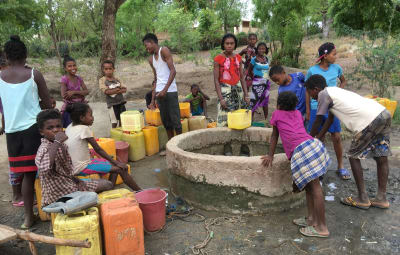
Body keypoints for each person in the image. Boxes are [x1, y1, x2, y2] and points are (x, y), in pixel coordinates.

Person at [306, 74, 392, 210]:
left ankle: (362, 199)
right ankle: (381, 198)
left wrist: (309, 139)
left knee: (353, 156)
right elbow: (329, 120)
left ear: (316, 89)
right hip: (383, 113)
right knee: (381, 155)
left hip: (368, 121)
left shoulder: (323, 94)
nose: (311, 97)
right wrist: (318, 137)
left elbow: (319, 119)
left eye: (310, 93)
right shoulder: (335, 92)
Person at [0, 35, 52, 228]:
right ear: (26, 54)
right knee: (35, 173)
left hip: (12, 133)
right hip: (32, 130)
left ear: (6, 56)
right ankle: (39, 212)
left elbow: (5, 106)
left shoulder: (0, 77)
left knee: (23, 175)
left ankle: (28, 217)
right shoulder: (33, 75)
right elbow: (47, 104)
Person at [262, 91, 330, 238]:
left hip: (302, 151)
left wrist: (270, 155)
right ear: (294, 105)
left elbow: (274, 136)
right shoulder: (298, 113)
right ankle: (311, 219)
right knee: (309, 187)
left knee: (316, 188)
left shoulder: (277, 114)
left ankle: (322, 228)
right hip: (313, 145)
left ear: (279, 104)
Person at [35, 109, 113, 207]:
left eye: (58, 126)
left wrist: (77, 180)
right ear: (42, 132)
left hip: (68, 185)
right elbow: (45, 168)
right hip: (58, 194)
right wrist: (57, 142)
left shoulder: (62, 146)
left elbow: (66, 171)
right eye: (50, 128)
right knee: (106, 185)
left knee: (107, 184)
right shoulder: (44, 149)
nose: (55, 130)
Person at [64, 103, 141, 191]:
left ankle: (111, 186)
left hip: (74, 165)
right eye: (90, 115)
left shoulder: (69, 127)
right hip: (82, 166)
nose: (93, 118)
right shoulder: (84, 129)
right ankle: (139, 191)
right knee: (121, 168)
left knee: (116, 160)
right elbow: (98, 149)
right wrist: (115, 162)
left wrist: (114, 161)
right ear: (82, 118)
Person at [305, 42, 350, 180]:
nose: (336, 57)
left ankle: (340, 166)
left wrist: (338, 92)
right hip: (315, 108)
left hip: (332, 107)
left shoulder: (336, 68)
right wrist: (307, 110)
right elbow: (307, 90)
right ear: (325, 56)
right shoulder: (312, 70)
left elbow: (343, 81)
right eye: (333, 54)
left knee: (336, 137)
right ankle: (321, 166)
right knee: (320, 137)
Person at [142, 33, 182, 142]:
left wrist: (165, 90)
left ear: (152, 42)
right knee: (166, 122)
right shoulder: (151, 60)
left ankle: (180, 146)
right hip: (160, 93)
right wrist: (152, 100)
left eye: (146, 45)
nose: (146, 48)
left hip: (170, 91)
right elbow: (156, 79)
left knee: (176, 120)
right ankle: (171, 146)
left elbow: (173, 71)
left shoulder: (164, 50)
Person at [213, 33, 250, 127]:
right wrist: (221, 98)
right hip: (225, 91)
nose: (229, 45)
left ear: (235, 44)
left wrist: (246, 95)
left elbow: (242, 77)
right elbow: (216, 80)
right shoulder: (218, 59)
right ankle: (224, 141)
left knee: (238, 117)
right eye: (227, 43)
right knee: (224, 117)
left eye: (232, 43)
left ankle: (237, 140)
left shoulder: (238, 58)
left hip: (238, 90)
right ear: (223, 45)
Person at [60, 55, 88, 128]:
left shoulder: (79, 78)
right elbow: (64, 95)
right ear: (65, 68)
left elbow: (87, 91)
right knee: (70, 128)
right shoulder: (64, 79)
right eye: (69, 66)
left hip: (80, 107)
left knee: (81, 127)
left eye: (74, 65)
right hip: (70, 108)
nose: (73, 68)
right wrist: (81, 95)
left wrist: (74, 92)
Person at [99, 60, 127, 128]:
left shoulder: (117, 79)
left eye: (110, 68)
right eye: (106, 69)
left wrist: (114, 90)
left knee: (122, 120)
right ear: (103, 70)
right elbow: (106, 92)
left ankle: (121, 133)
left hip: (121, 102)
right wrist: (117, 89)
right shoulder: (102, 80)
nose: (108, 70)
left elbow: (125, 89)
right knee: (114, 121)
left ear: (113, 69)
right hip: (112, 104)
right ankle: (114, 134)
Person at [246, 42, 270, 119]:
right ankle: (250, 120)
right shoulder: (254, 59)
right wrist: (254, 78)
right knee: (253, 101)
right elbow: (249, 70)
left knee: (265, 102)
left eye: (263, 48)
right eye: (260, 48)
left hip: (266, 83)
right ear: (257, 49)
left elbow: (267, 71)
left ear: (265, 49)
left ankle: (266, 119)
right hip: (257, 83)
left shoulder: (266, 59)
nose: (261, 50)